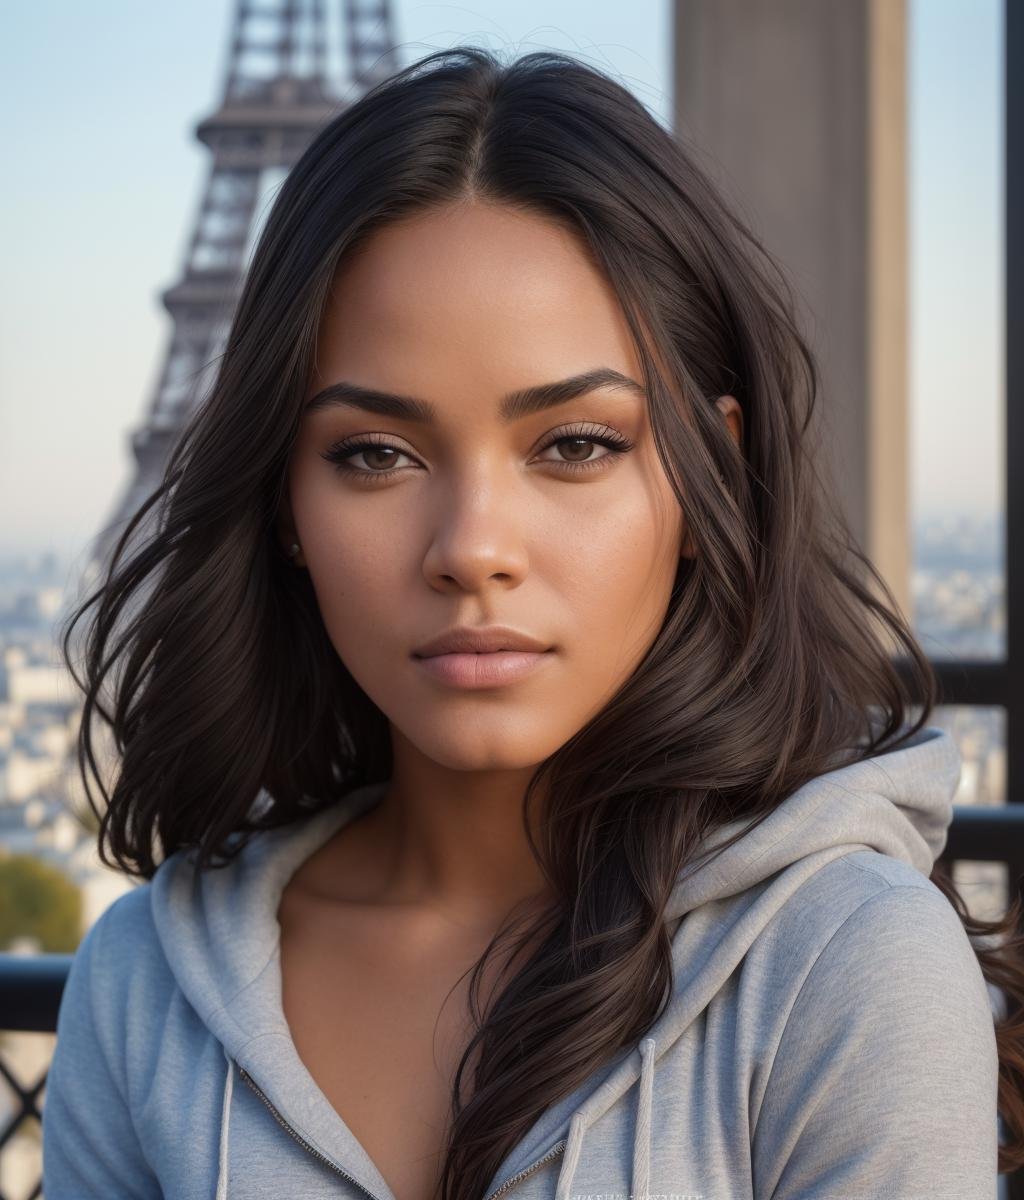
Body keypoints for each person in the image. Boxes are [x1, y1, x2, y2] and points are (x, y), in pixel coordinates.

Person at [43, 45, 1022, 1200]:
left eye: (574, 446)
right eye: (375, 455)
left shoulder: (842, 962)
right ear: (284, 505)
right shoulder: (147, 982)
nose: (472, 548)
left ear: (711, 477)